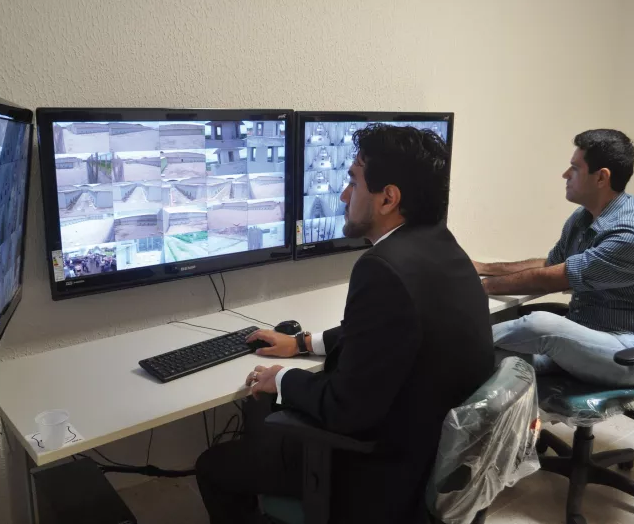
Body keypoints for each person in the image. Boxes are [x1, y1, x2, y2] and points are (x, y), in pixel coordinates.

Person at [195, 124, 494, 524]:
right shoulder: (441, 245)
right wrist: (302, 343)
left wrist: (282, 378)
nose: (342, 195)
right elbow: (390, 331)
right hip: (429, 452)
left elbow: (345, 409)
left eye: (353, 181)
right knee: (262, 421)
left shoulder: (382, 268)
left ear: (388, 198)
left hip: (379, 473)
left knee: (215, 464)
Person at [473, 129, 634, 387]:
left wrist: (479, 287)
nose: (565, 175)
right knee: (486, 359)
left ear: (601, 178)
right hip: (587, 339)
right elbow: (550, 265)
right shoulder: (584, 217)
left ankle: (453, 340)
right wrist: (481, 268)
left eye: (574, 168)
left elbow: (552, 280)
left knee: (540, 325)